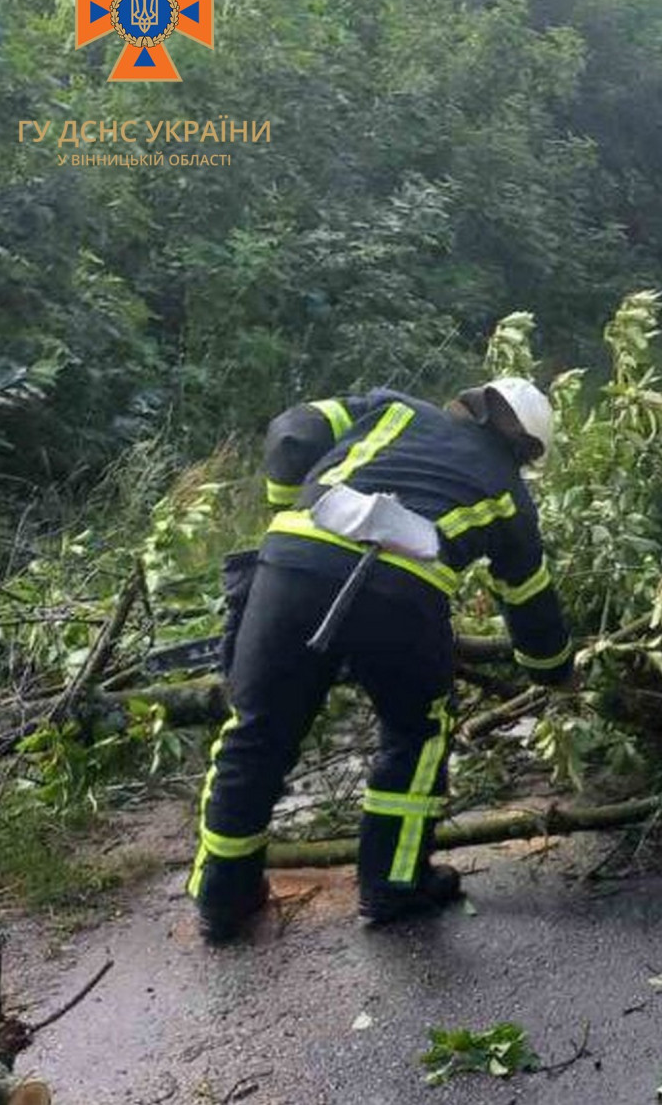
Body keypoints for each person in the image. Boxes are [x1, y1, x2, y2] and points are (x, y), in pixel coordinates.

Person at [188, 378, 574, 944]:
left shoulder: (394, 410)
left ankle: (222, 897)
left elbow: (293, 433)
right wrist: (557, 673)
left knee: (256, 729)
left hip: (289, 567)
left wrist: (288, 515)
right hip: (401, 595)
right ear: (526, 449)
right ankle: (392, 886)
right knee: (415, 734)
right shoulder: (508, 492)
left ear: (470, 405)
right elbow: (530, 602)